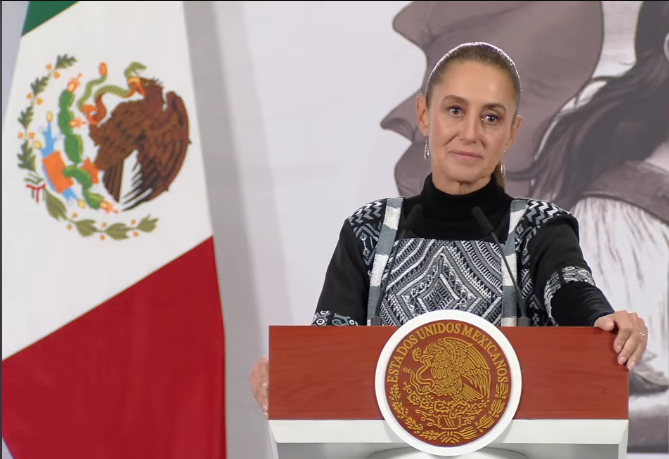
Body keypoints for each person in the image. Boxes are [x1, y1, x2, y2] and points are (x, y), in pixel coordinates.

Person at [250, 42, 648, 417]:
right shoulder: (368, 230)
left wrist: (605, 322)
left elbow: (571, 291)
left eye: (491, 117)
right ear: (424, 115)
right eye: (455, 110)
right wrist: (287, 372)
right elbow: (329, 347)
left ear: (511, 132)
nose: (470, 133)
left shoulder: (539, 228)